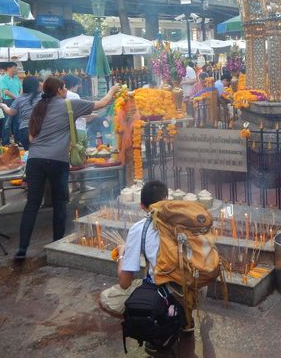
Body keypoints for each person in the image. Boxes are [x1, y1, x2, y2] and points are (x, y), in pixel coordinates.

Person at [15, 77, 119, 260]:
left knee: (32, 204)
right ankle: (57, 245)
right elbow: (103, 103)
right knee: (59, 202)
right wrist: (114, 90)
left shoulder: (38, 108)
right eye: (62, 89)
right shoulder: (70, 105)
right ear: (60, 90)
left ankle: (22, 249)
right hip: (57, 160)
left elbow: (31, 139)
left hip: (35, 160)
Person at [99, 180, 169, 316]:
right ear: (167, 198)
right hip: (194, 288)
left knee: (106, 298)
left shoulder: (139, 228)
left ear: (142, 206)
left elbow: (125, 283)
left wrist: (121, 254)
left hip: (165, 294)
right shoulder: (183, 221)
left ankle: (144, 321)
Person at [0, 76, 42, 150]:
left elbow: (11, 112)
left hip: (25, 130)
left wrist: (3, 106)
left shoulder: (20, 99)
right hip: (40, 129)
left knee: (29, 153)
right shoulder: (42, 97)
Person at [0, 62, 22, 145]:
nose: (16, 69)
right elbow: (5, 91)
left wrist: (20, 97)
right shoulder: (2, 79)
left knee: (17, 121)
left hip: (17, 100)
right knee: (7, 122)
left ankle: (18, 140)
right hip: (8, 101)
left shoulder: (16, 78)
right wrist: (17, 98)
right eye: (14, 67)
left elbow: (20, 88)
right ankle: (5, 142)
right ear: (8, 68)